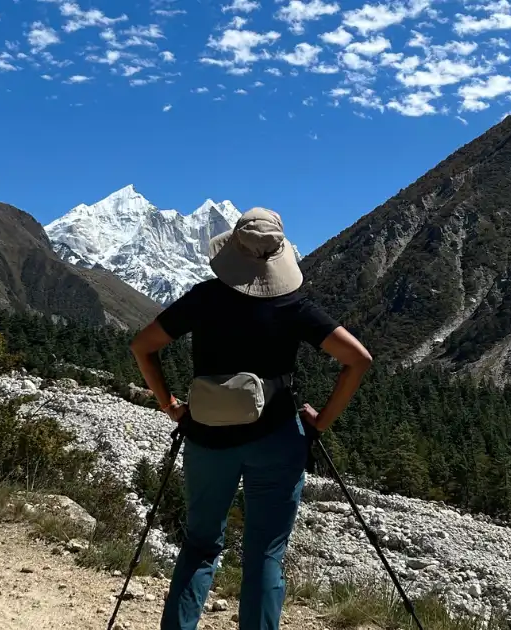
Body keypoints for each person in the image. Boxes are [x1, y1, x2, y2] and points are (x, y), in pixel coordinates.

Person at [129, 207, 373, 630]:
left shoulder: (204, 297)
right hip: (276, 440)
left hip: (206, 439)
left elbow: (142, 346)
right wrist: (321, 422)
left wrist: (170, 405)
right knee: (264, 554)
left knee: (200, 546)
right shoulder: (294, 306)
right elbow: (358, 359)